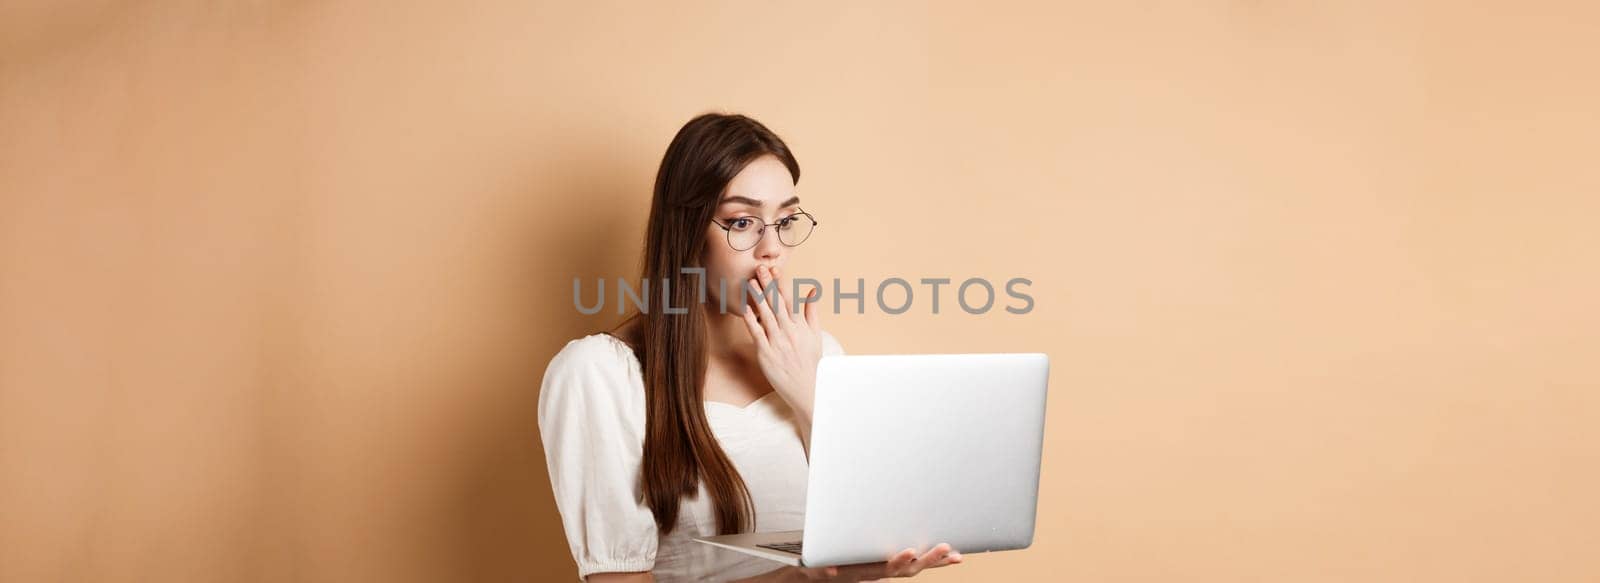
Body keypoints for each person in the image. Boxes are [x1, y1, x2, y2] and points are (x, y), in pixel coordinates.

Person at [538, 113, 962, 582]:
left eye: (784, 220)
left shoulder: (820, 356)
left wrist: (808, 392)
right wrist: (809, 577)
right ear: (689, 234)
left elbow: (883, 527)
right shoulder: (601, 374)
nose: (771, 249)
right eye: (742, 222)